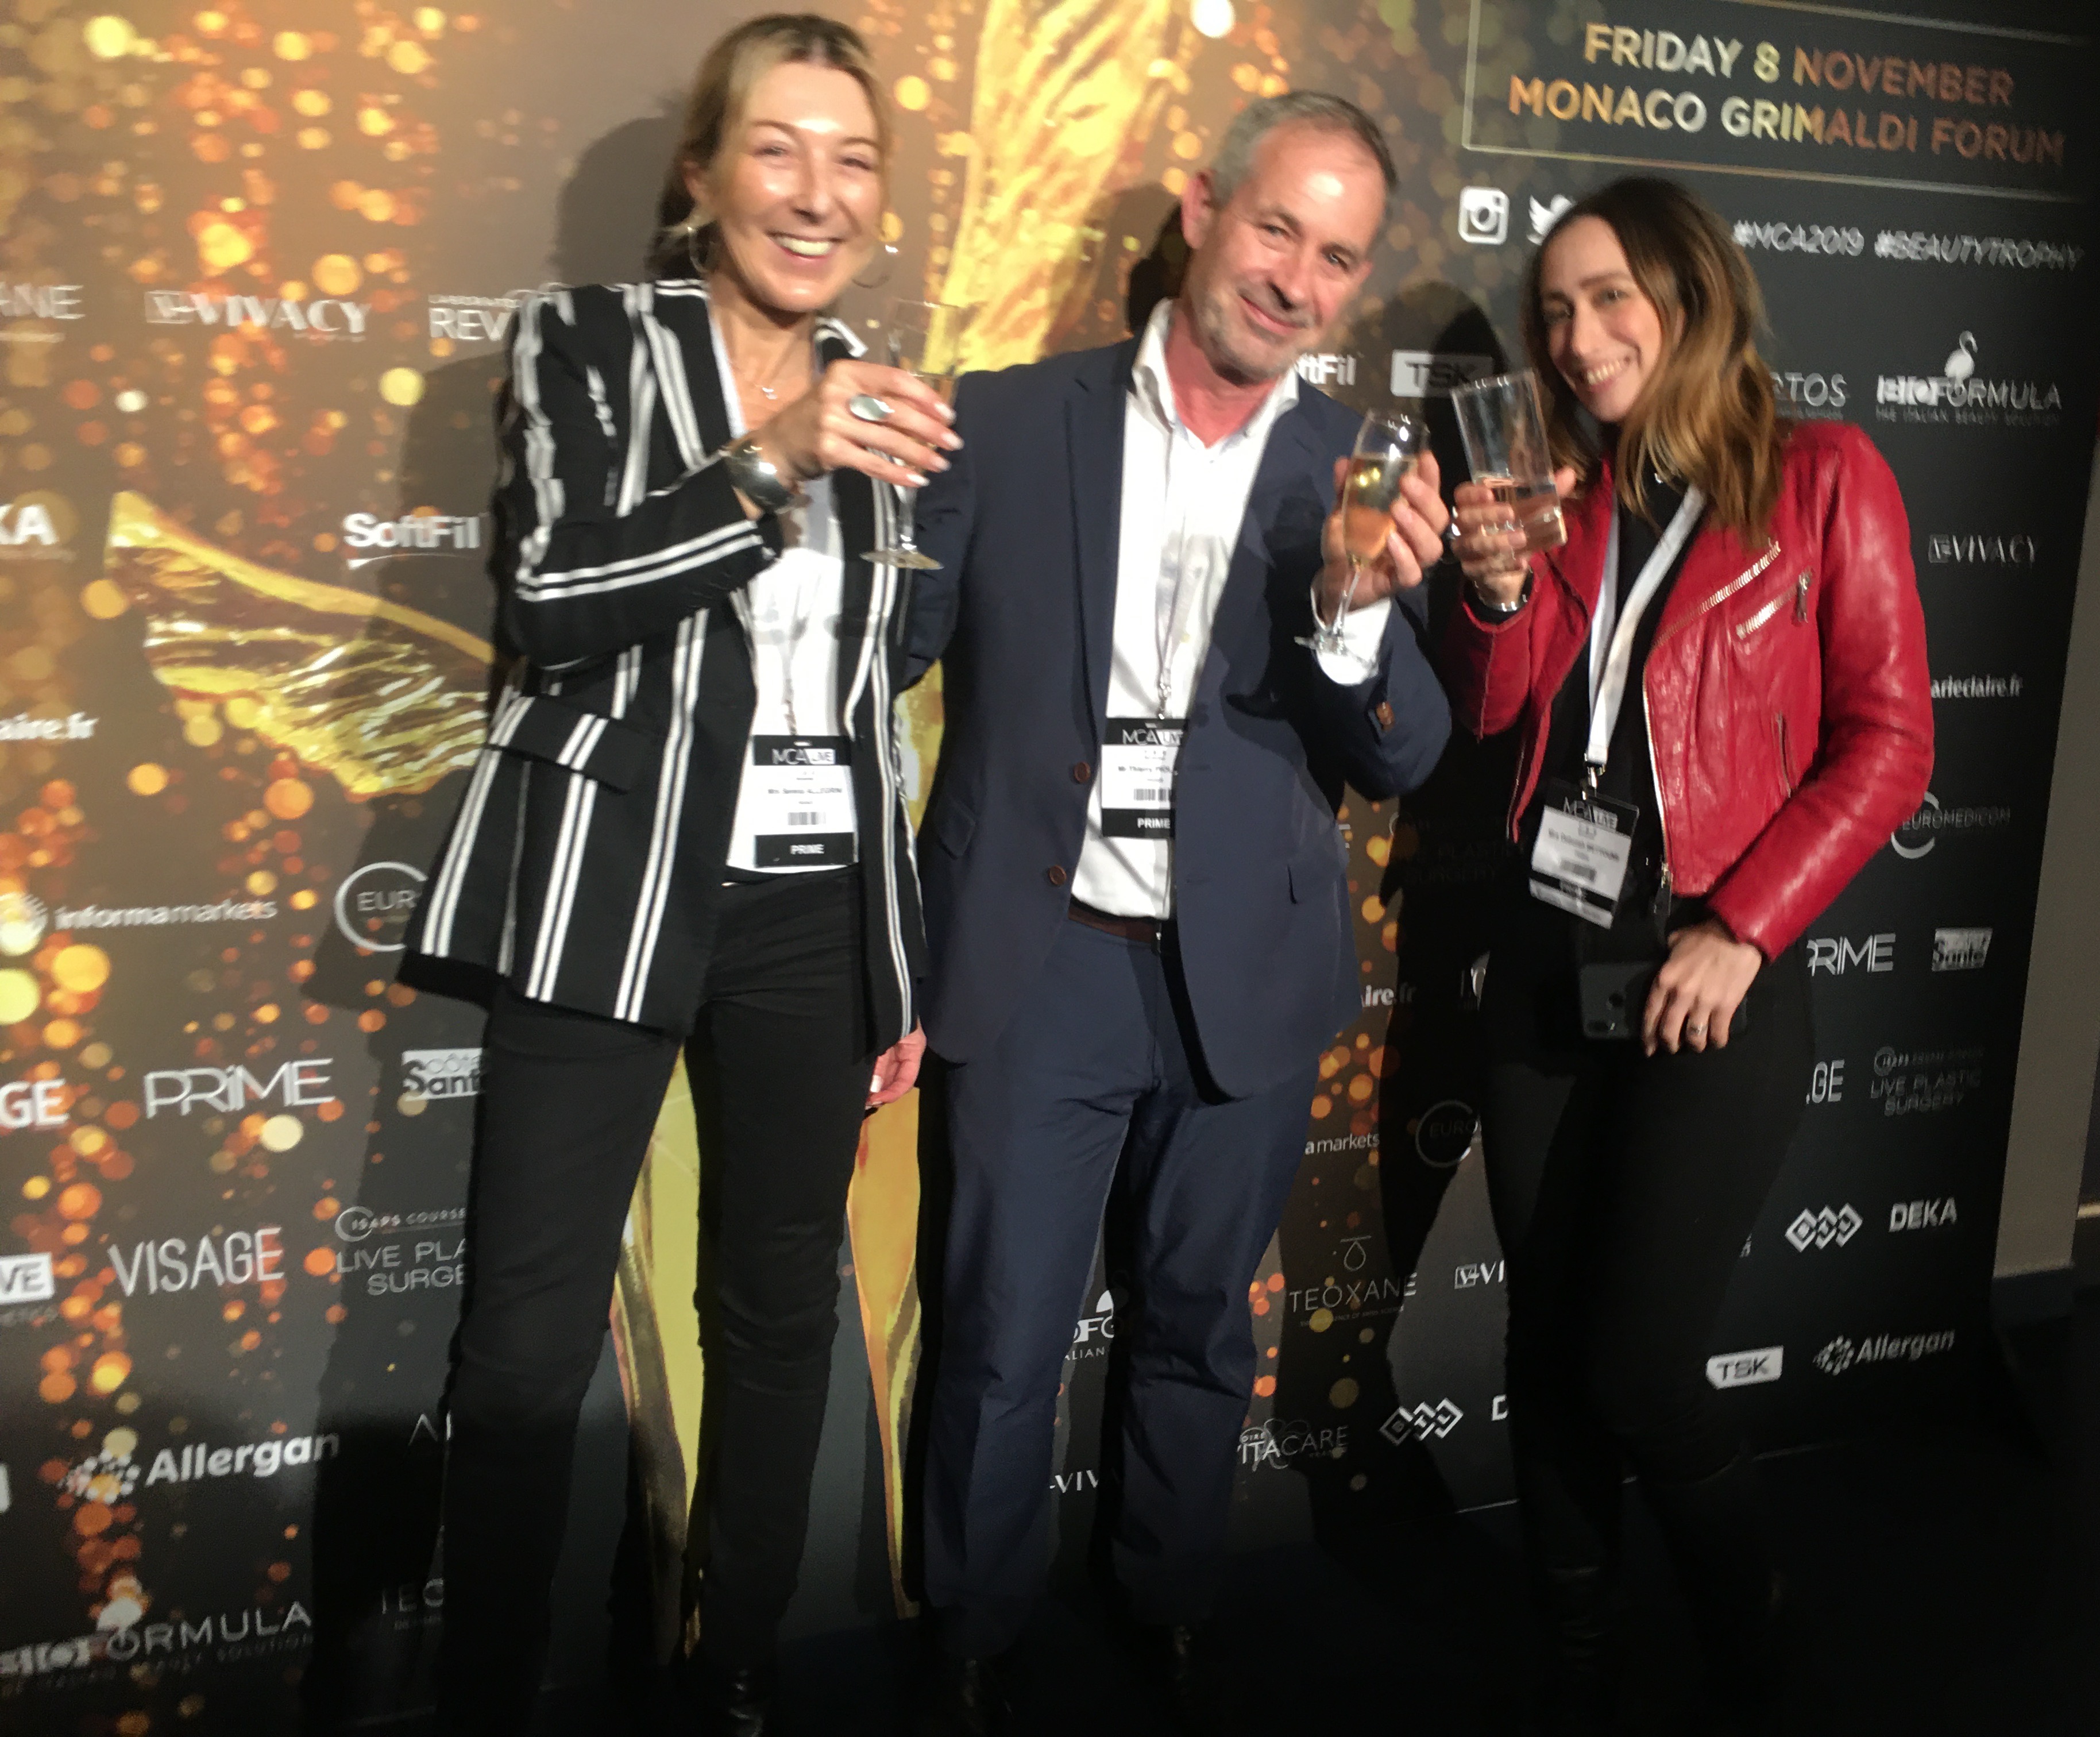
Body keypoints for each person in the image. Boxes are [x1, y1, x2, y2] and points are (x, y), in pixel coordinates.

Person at [405, 16, 954, 1735]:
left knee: (778, 1312)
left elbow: (873, 714)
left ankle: (734, 1667)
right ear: (704, 177)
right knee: (522, 1343)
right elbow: (556, 601)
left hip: (811, 909)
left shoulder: (887, 390)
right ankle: (488, 1691)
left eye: (852, 160)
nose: (816, 193)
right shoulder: (584, 345)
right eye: (777, 150)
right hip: (610, 883)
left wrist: (893, 961)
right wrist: (778, 453)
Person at [901, 91, 1453, 1734]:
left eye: (1337, 258)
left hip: (1245, 977)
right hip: (1039, 962)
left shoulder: (1356, 469)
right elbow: (885, 653)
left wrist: (1351, 615)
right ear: (1205, 210)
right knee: (1001, 1332)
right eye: (1277, 228)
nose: (1297, 280)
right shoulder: (1007, 422)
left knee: (1203, 1327)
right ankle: (971, 1622)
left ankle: (1167, 1596)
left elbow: (1404, 748)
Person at [1436, 176, 1933, 1733]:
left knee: (1637, 1367)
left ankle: (1750, 1635)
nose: (1578, 338)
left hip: (1707, 975)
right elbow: (1498, 715)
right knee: (1543, 1345)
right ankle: (1579, 1663)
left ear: (1691, 293)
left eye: (1610, 299)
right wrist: (1494, 593)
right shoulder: (1563, 499)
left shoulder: (1824, 478)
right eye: (1555, 312)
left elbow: (1892, 741)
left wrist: (1744, 926)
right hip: (1545, 960)